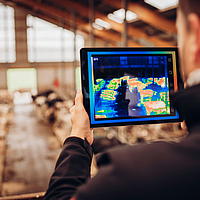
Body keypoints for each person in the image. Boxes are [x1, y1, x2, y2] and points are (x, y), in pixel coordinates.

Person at [44, 0, 200, 199]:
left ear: (196, 36)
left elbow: (59, 196)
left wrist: (77, 136)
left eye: (181, 35)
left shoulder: (131, 178)